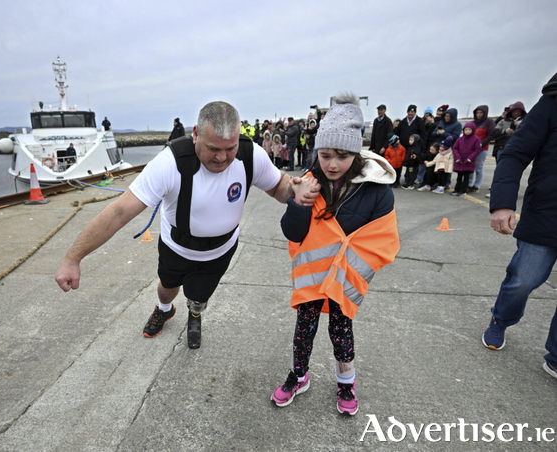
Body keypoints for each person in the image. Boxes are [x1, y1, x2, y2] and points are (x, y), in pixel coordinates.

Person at [54, 101, 318, 350]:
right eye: (213, 148)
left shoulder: (251, 154)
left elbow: (279, 187)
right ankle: (164, 309)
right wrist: (73, 258)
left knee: (199, 296)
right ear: (195, 134)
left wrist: (299, 191)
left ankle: (195, 312)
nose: (222, 158)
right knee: (167, 287)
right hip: (176, 247)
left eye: (230, 148)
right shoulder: (169, 163)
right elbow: (119, 212)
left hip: (220, 251)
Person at [270, 93, 400, 415]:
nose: (331, 164)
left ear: (355, 153)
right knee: (304, 330)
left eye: (341, 156)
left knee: (341, 332)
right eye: (325, 155)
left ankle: (346, 382)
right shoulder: (309, 182)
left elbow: (383, 238)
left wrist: (350, 260)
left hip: (343, 280)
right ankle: (299, 375)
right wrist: (299, 202)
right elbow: (292, 232)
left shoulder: (375, 191)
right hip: (313, 278)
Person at [482, 71, 557, 381]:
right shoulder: (552, 102)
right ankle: (501, 319)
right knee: (523, 280)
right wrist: (502, 202)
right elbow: (515, 153)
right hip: (548, 213)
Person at [466, 106, 495, 194]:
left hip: (482, 149)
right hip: (471, 149)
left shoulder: (489, 122)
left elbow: (490, 135)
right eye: (477, 113)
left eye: (481, 113)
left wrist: (480, 144)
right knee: (470, 167)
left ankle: (477, 185)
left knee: (478, 167)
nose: (479, 115)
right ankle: (469, 184)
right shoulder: (473, 123)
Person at [450, 122, 482, 196]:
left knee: (466, 177)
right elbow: (455, 148)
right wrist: (457, 157)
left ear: (473, 130)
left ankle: (463, 190)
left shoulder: (476, 139)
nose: (467, 131)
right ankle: (456, 189)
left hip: (469, 162)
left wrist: (470, 158)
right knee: (459, 176)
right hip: (460, 161)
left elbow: (477, 150)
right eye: (466, 129)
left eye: (469, 129)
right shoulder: (460, 139)